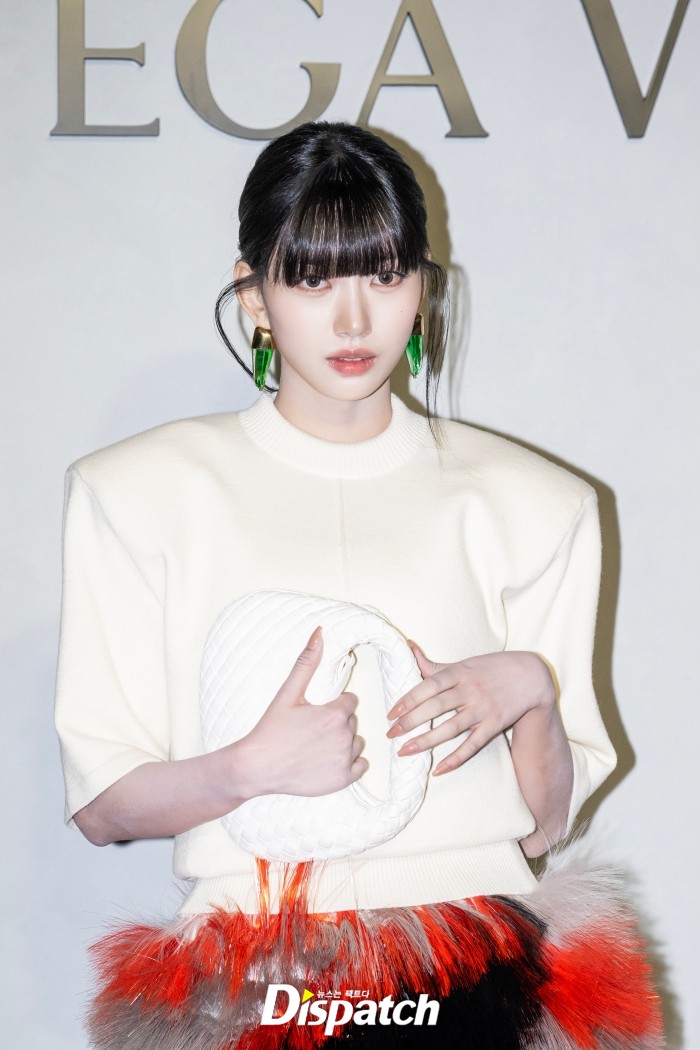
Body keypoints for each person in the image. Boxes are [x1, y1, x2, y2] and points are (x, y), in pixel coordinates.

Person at [55, 121, 663, 1050]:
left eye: (383, 275)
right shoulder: (136, 493)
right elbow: (102, 806)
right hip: (260, 989)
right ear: (254, 296)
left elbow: (544, 829)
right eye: (312, 280)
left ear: (423, 286)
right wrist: (245, 769)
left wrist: (532, 691)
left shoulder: (534, 504)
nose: (352, 320)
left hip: (483, 983)